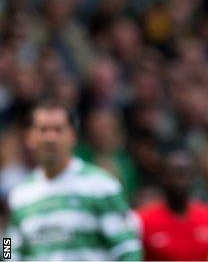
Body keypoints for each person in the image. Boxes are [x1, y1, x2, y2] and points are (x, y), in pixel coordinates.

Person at [6, 100, 143, 260]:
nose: (50, 138)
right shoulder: (20, 195)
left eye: (58, 130)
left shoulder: (101, 186)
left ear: (72, 136)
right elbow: (8, 245)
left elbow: (128, 247)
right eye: (43, 130)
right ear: (29, 137)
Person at [136, 150, 208, 260]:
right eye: (173, 173)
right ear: (163, 178)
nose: (179, 180)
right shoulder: (140, 222)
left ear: (194, 178)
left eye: (184, 173)